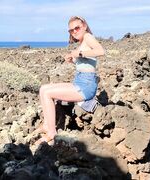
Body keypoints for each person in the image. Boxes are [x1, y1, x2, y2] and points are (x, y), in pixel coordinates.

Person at [34, 16, 105, 145]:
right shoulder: (82, 42)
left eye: (77, 28)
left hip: (86, 85)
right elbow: (87, 65)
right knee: (43, 88)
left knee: (47, 93)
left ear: (84, 26)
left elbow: (100, 51)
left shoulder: (88, 37)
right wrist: (73, 61)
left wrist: (79, 54)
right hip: (80, 81)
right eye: (71, 30)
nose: (74, 32)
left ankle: (51, 132)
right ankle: (46, 125)